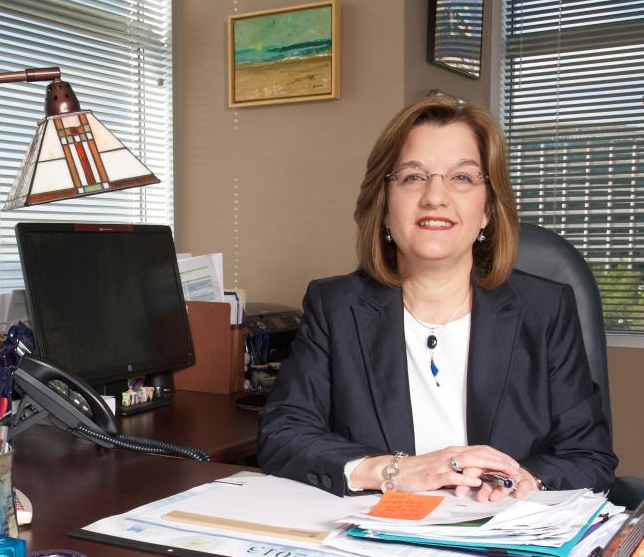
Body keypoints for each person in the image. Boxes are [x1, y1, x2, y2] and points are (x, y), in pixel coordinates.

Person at [257, 95, 617, 501]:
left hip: (502, 543)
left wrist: (524, 480)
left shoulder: (544, 309)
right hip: (377, 542)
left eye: (462, 177)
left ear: (487, 210)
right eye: (413, 177)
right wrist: (394, 471)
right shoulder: (335, 307)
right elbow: (282, 435)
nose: (435, 197)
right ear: (384, 204)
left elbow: (588, 455)